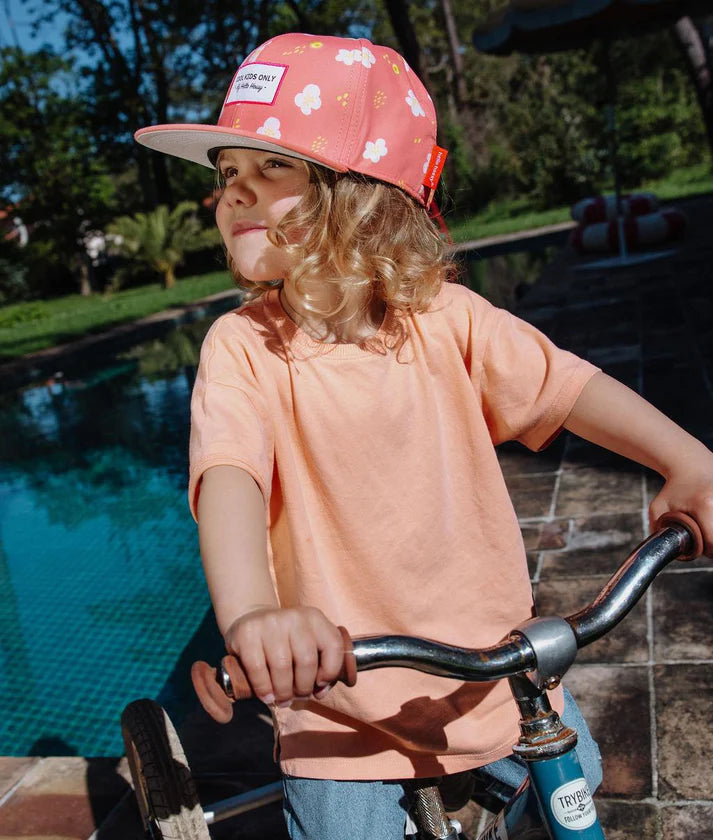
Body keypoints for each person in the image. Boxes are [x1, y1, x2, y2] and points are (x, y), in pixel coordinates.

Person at [135, 32, 713, 839]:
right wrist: (255, 614)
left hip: (489, 668)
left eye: (269, 167)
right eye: (227, 173)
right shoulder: (244, 348)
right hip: (339, 695)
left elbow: (567, 385)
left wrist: (688, 460)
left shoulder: (446, 319)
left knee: (571, 784)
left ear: (360, 197)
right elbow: (229, 476)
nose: (233, 193)